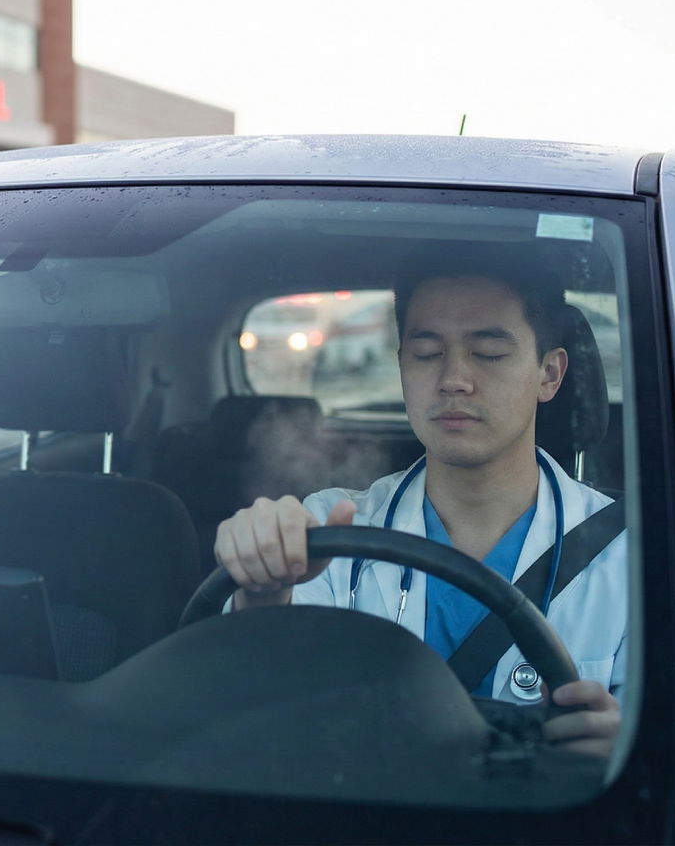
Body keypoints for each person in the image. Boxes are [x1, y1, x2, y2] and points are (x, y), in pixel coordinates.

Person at [215, 256, 626, 757]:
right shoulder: (325, 532)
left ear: (550, 373)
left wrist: (628, 752)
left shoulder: (631, 557)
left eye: (489, 353)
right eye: (427, 353)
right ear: (402, 366)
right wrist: (261, 591)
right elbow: (253, 723)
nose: (454, 379)